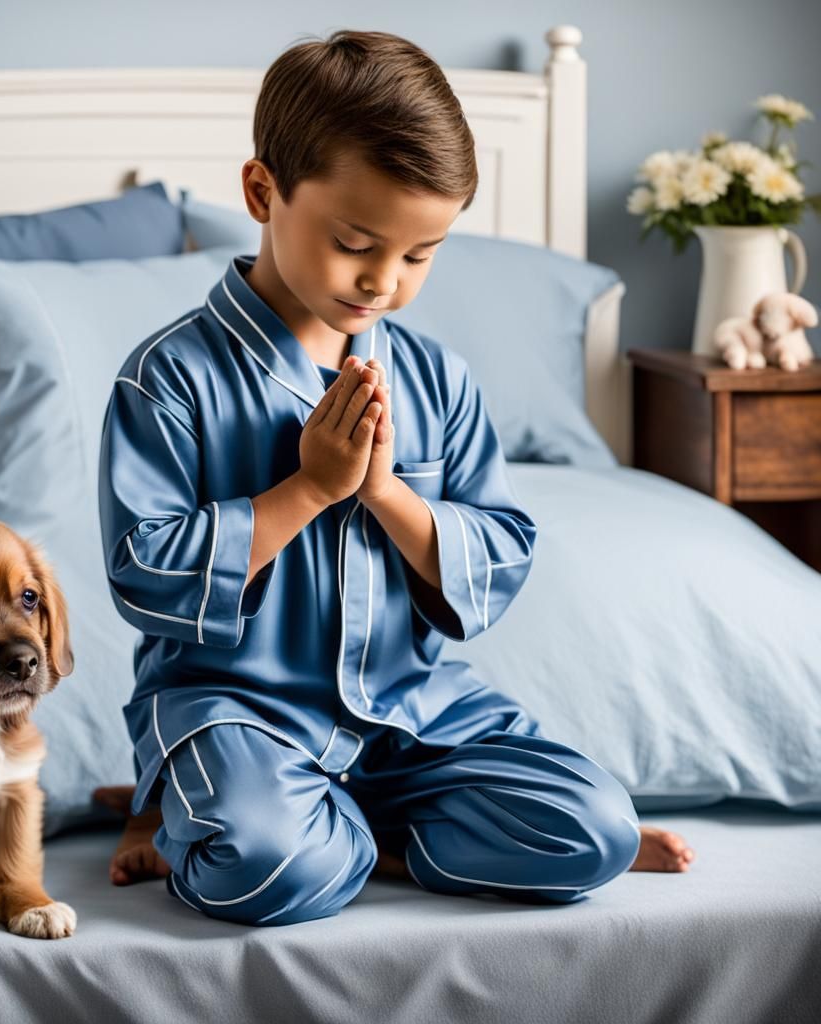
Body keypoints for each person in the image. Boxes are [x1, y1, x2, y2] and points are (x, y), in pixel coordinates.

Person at [94, 29, 694, 927]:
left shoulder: (437, 378)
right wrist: (307, 490)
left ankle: (358, 830)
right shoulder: (169, 377)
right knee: (262, 872)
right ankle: (195, 808)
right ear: (263, 193)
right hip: (239, 710)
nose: (383, 281)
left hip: (408, 712)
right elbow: (143, 569)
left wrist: (384, 491)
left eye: (420, 255)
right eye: (356, 243)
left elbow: (499, 550)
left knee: (596, 833)